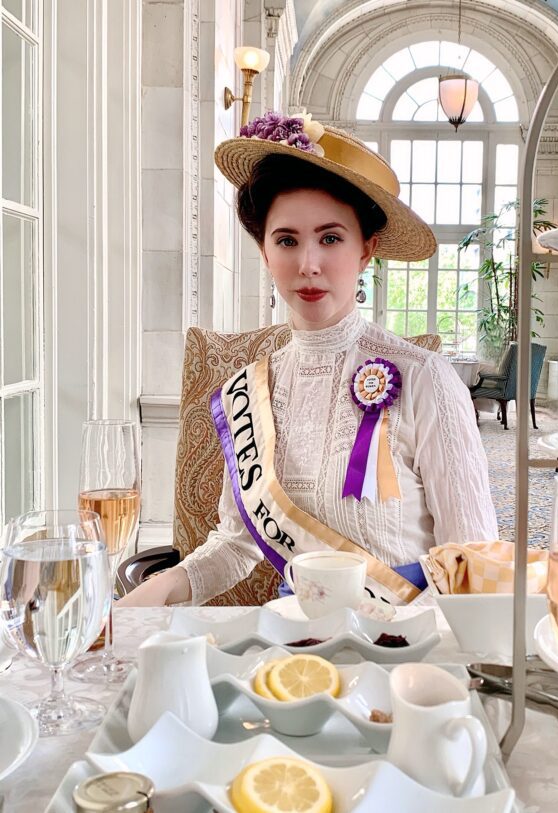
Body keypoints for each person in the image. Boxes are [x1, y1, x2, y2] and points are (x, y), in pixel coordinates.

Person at [119, 113, 498, 607]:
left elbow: (473, 559)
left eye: (331, 238)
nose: (308, 265)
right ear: (265, 252)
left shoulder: (425, 379)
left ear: (367, 251)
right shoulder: (247, 390)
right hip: (293, 651)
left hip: (406, 650)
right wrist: (152, 593)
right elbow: (234, 547)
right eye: (287, 240)